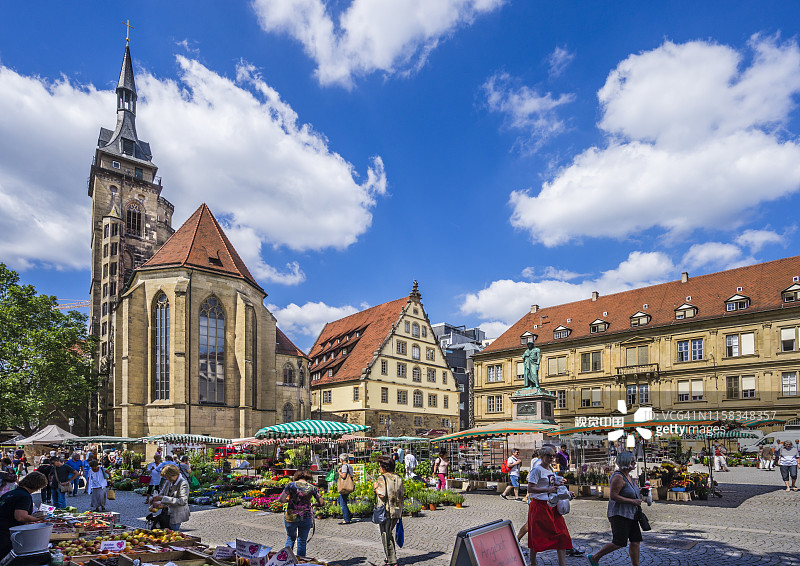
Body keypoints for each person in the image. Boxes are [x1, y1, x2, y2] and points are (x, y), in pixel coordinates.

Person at [587, 451, 644, 566]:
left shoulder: (629, 476)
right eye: (633, 461)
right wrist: (633, 501)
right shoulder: (618, 477)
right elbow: (613, 496)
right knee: (619, 542)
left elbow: (631, 492)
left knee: (635, 541)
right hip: (619, 514)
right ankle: (595, 557)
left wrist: (642, 491)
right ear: (626, 462)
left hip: (631, 514)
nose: (635, 463)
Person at [526, 446, 572, 566]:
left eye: (553, 455)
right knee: (536, 536)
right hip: (539, 506)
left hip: (552, 505)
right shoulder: (537, 470)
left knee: (562, 534)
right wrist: (548, 489)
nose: (552, 457)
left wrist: (562, 488)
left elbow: (551, 484)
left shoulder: (550, 468)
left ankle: (563, 564)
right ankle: (533, 563)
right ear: (541, 456)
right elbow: (530, 488)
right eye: (548, 455)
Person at [0, 471, 49, 561]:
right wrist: (35, 519)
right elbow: (20, 516)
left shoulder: (10, 493)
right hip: (8, 534)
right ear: (38, 486)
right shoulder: (25, 496)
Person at [278, 469, 323, 557]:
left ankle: (286, 560)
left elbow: (281, 499)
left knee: (290, 538)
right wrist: (313, 504)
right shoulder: (311, 487)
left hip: (291, 516)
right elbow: (322, 503)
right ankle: (301, 562)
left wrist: (289, 501)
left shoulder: (290, 485)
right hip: (306, 517)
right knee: (302, 540)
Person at [375, 455, 405, 566]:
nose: (379, 468)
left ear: (384, 467)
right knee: (388, 533)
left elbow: (382, 495)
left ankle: (392, 560)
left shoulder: (382, 478)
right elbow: (402, 494)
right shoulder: (398, 478)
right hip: (397, 510)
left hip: (386, 511)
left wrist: (375, 488)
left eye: (379, 466)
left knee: (385, 534)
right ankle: (389, 558)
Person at [151, 464, 190, 531]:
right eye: (166, 477)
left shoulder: (183, 483)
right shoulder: (168, 481)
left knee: (174, 533)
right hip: (166, 513)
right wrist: (156, 502)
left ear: (175, 474)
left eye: (169, 477)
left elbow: (182, 501)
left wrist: (162, 498)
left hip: (176, 514)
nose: (167, 479)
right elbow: (162, 493)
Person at [336, 453, 354, 525]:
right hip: (348, 485)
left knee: (343, 503)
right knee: (340, 500)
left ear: (341, 459)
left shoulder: (344, 466)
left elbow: (343, 476)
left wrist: (339, 472)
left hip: (344, 486)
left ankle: (346, 519)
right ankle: (348, 514)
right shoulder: (349, 466)